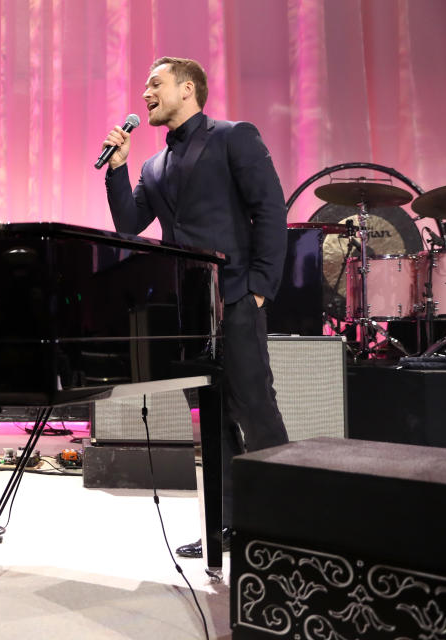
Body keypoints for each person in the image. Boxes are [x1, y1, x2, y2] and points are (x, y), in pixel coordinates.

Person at [102, 57, 289, 558]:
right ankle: (226, 525)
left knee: (256, 410)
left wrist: (260, 287)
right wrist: (118, 169)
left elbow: (270, 208)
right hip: (189, 313)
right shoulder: (153, 166)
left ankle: (281, 528)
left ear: (188, 89)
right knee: (212, 420)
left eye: (155, 82)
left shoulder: (233, 136)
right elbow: (128, 225)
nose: (145, 92)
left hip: (236, 298)